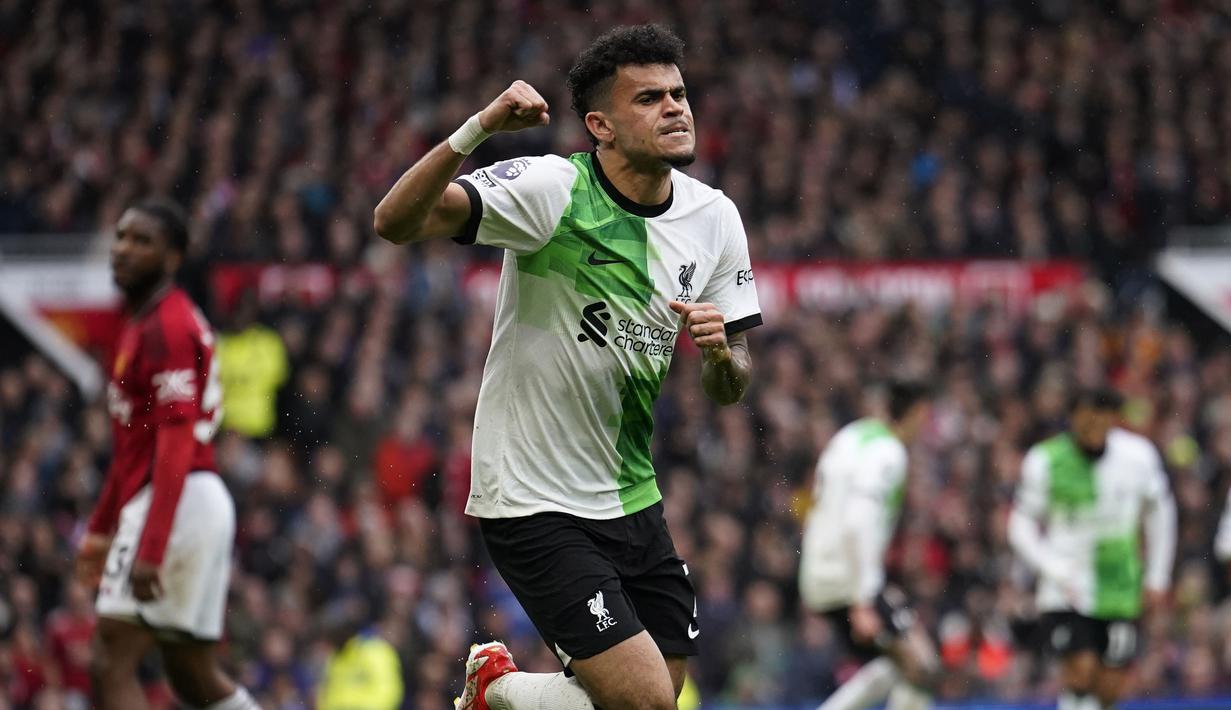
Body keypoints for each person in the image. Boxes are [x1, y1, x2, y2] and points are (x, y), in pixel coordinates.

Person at [373, 23, 761, 710]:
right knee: (643, 702)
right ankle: (497, 688)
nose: (674, 108)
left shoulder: (715, 219)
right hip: (533, 497)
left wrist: (722, 356)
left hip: (631, 495)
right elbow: (395, 221)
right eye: (648, 99)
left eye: (678, 93)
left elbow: (731, 386)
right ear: (600, 125)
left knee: (657, 697)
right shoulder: (553, 189)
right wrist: (477, 129)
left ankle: (499, 691)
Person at [74, 198, 258, 710]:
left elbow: (175, 443)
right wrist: (100, 529)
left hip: (179, 499)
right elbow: (131, 447)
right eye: (121, 237)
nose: (124, 250)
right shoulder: (142, 322)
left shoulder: (167, 328)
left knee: (110, 660)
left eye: (142, 241)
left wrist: (151, 546)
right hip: (185, 500)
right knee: (191, 673)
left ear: (173, 258)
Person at [1009, 388, 1176, 710]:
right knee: (1080, 671)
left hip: (1120, 586)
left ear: (1112, 418)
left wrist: (1157, 577)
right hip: (1066, 588)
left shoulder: (1138, 456)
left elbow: (1160, 514)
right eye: (1085, 414)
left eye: (1101, 414)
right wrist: (1050, 566)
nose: (1093, 423)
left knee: (1109, 686)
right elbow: (1020, 524)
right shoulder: (1046, 460)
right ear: (1072, 417)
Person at [798, 381, 938, 710]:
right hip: (848, 578)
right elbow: (858, 521)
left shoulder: (849, 436)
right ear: (917, 414)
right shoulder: (889, 453)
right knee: (922, 666)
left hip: (820, 569)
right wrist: (863, 598)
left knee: (897, 664)